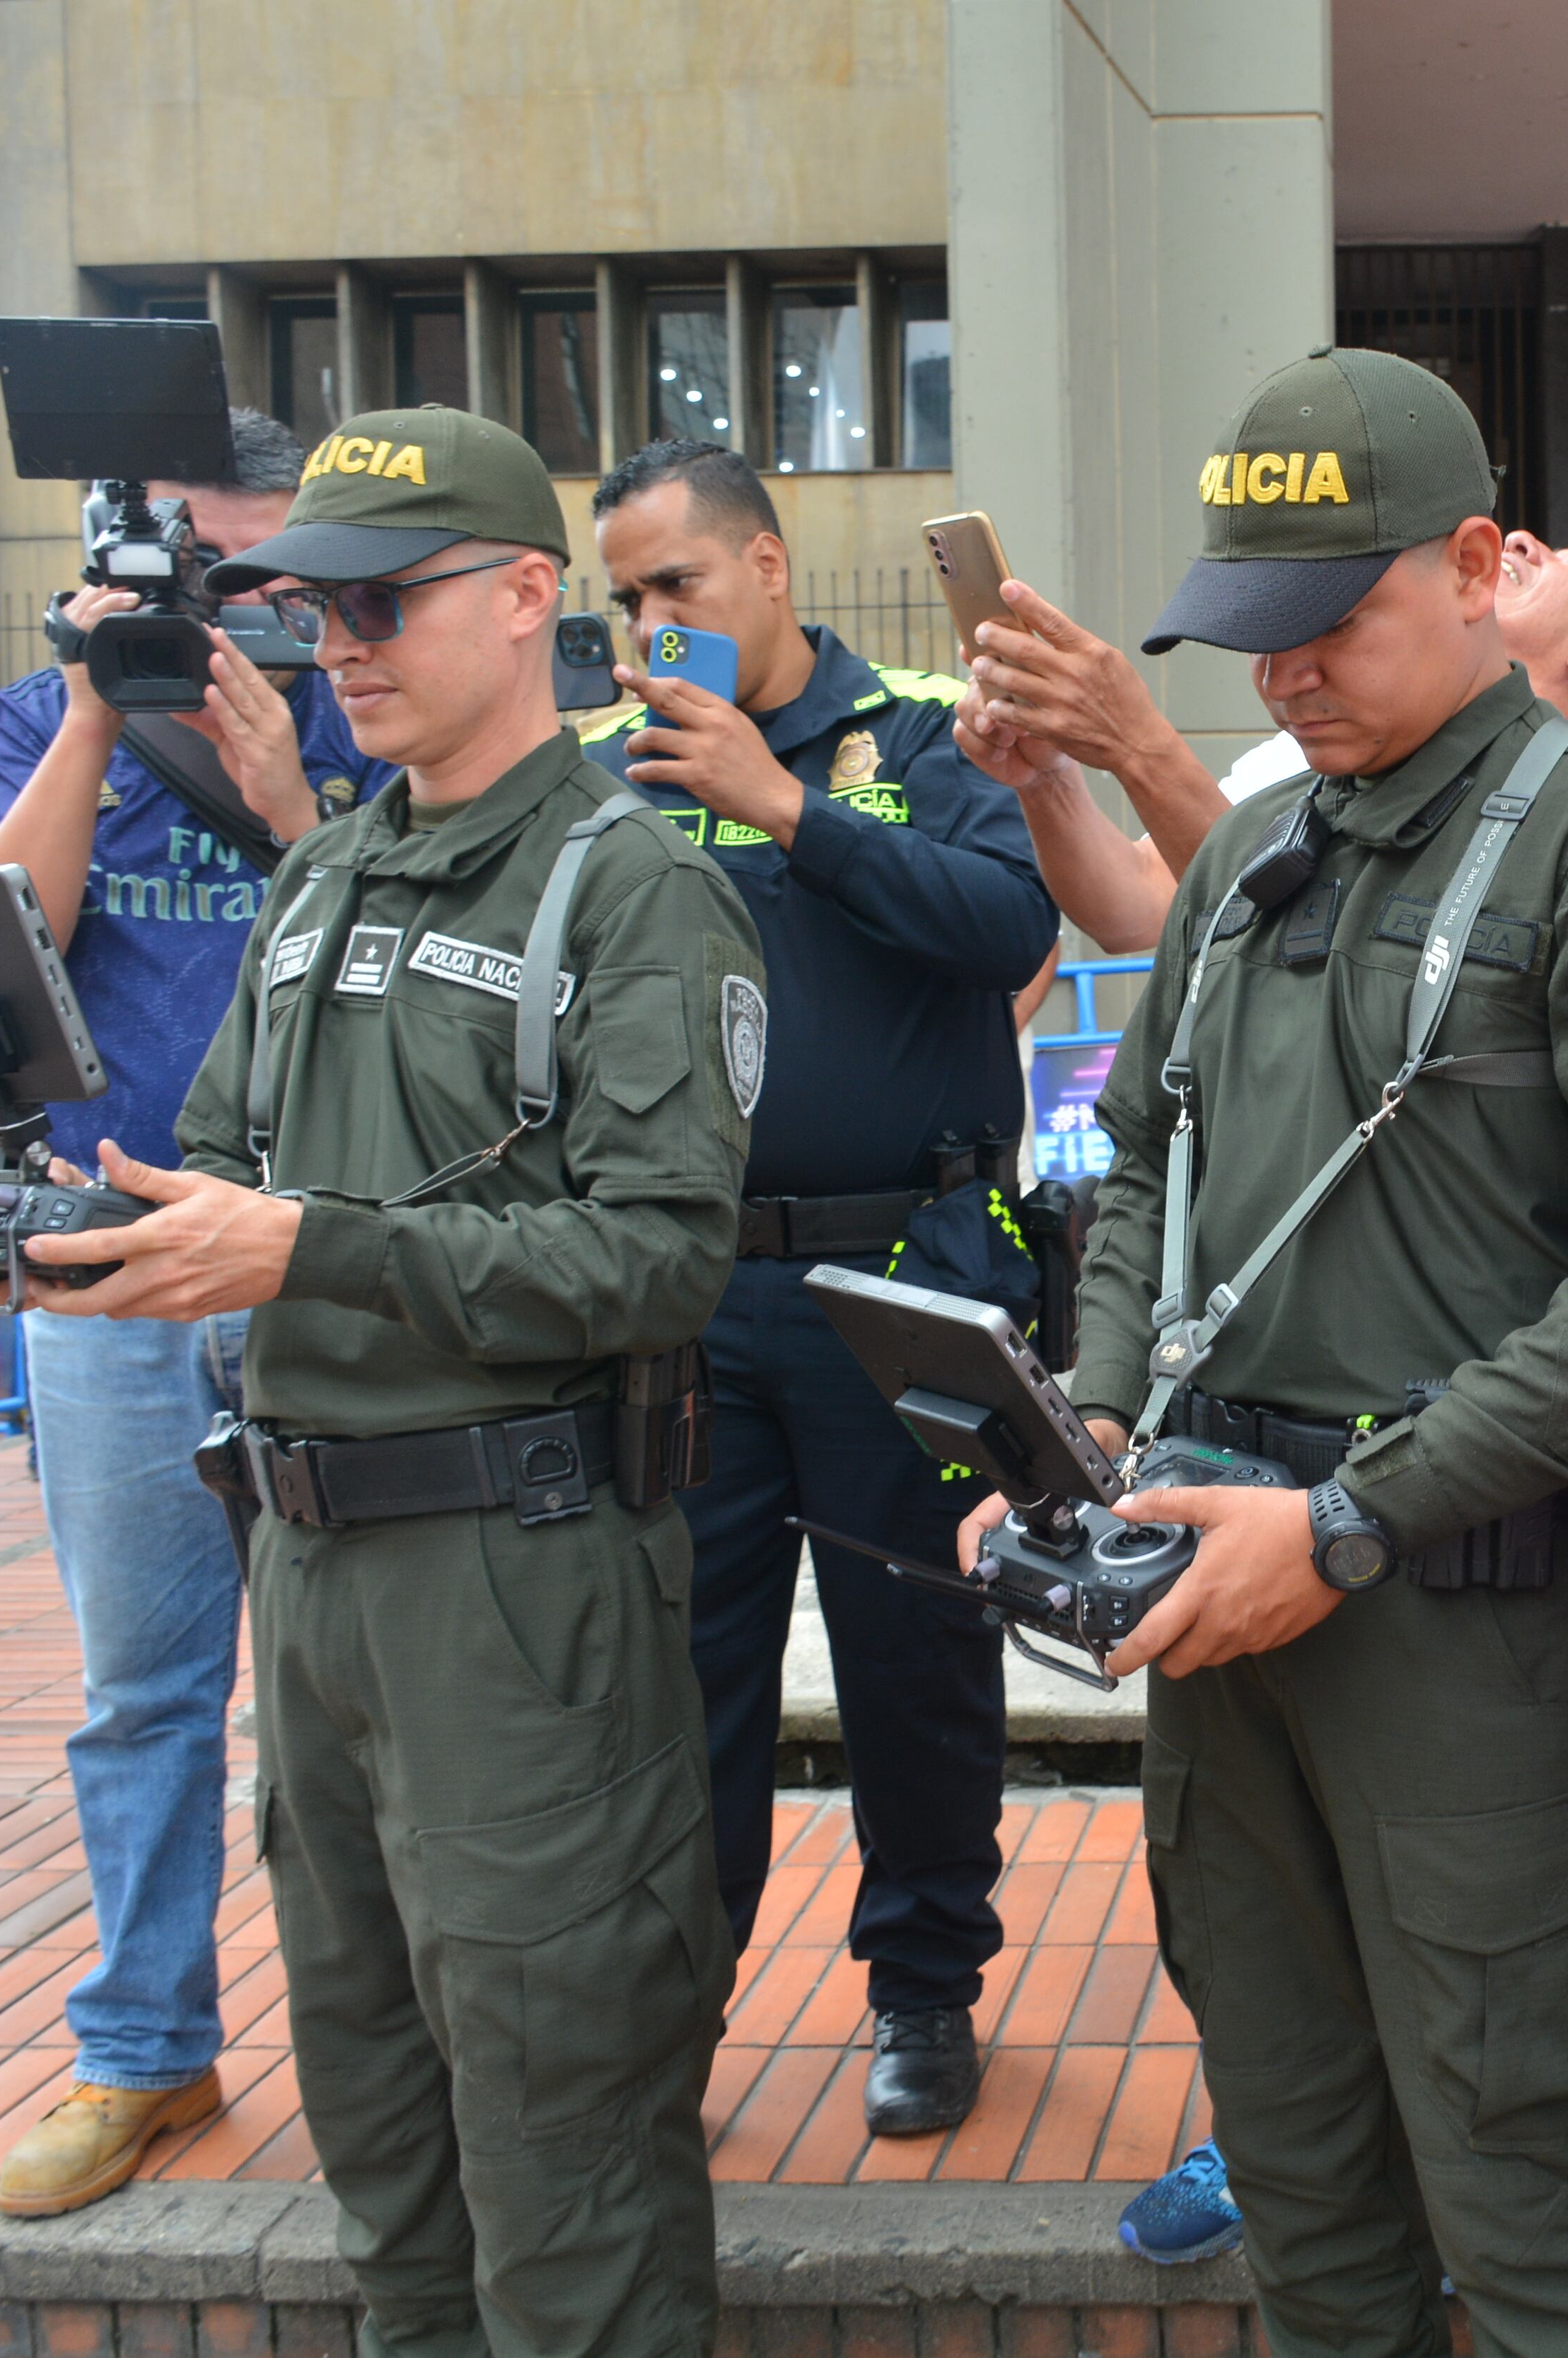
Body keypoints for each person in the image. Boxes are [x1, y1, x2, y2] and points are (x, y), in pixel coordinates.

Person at [969, 344, 1568, 2357]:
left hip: (1466, 1636)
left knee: (1538, 2212)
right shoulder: (1251, 856)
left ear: (1486, 566)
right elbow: (1144, 1149)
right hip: (1227, 1629)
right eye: (1254, 634)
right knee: (1305, 2183)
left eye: (1332, 621)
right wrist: (1090, 1403)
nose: (1288, 676)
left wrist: (1345, 1517)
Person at [0, 403, 767, 2354]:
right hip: (315, 1577)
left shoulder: (630, 887)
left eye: (380, 601)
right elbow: (241, 1159)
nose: (335, 643)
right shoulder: (322, 878)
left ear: (523, 599)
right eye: (310, 603)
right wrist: (122, 1233)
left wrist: (303, 1247)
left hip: (523, 1578)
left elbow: (664, 1256)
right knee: (383, 2140)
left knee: (561, 2131)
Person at [0, 405, 398, 2219]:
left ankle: (390, 2044)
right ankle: (145, 2048)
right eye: (200, 571)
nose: (238, 606)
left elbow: (387, 977)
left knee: (358, 1689)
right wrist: (85, 704)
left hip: (316, 1263)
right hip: (113, 1283)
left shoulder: (367, 719)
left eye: (272, 573)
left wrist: (293, 788)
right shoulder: (41, 726)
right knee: (143, 1695)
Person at [579, 438, 1058, 2138]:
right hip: (692, 1291)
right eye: (624, 598)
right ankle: (679, 2009)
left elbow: (1011, 924)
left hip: (899, 1282)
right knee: (682, 1672)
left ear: (768, 567)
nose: (647, 626)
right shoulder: (614, 774)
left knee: (912, 1654)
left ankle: (925, 1987)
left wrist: (785, 808)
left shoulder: (917, 737)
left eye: (674, 587)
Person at [952, 531, 1568, 950]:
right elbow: (1135, 908)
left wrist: (1137, 743)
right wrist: (1046, 777)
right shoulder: (1338, 739)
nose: (1283, 679)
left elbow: (1316, 953)